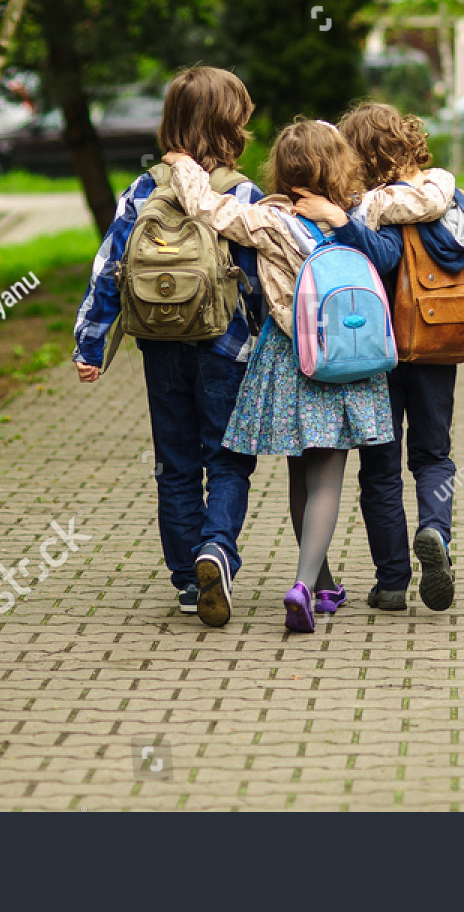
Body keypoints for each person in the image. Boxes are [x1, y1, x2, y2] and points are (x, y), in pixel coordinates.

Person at [163, 119, 455, 632]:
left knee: (301, 473)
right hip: (347, 360)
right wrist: (440, 176)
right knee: (326, 480)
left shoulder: (268, 220)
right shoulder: (365, 208)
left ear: (282, 168)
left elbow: (206, 208)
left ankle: (322, 586)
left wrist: (184, 164)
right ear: (341, 164)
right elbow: (429, 199)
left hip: (289, 358)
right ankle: (303, 584)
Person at [71, 66, 264, 628]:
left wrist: (91, 345)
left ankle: (187, 580)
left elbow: (109, 269)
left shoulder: (142, 189)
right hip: (225, 349)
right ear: (231, 124)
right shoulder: (238, 193)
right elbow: (256, 278)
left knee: (174, 463)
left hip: (159, 343)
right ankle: (216, 551)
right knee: (227, 461)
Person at [338, 102, 464, 612]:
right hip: (439, 341)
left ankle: (392, 582)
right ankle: (434, 531)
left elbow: (373, 260)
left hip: (379, 349)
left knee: (380, 467)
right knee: (432, 456)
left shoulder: (373, 207)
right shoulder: (453, 198)